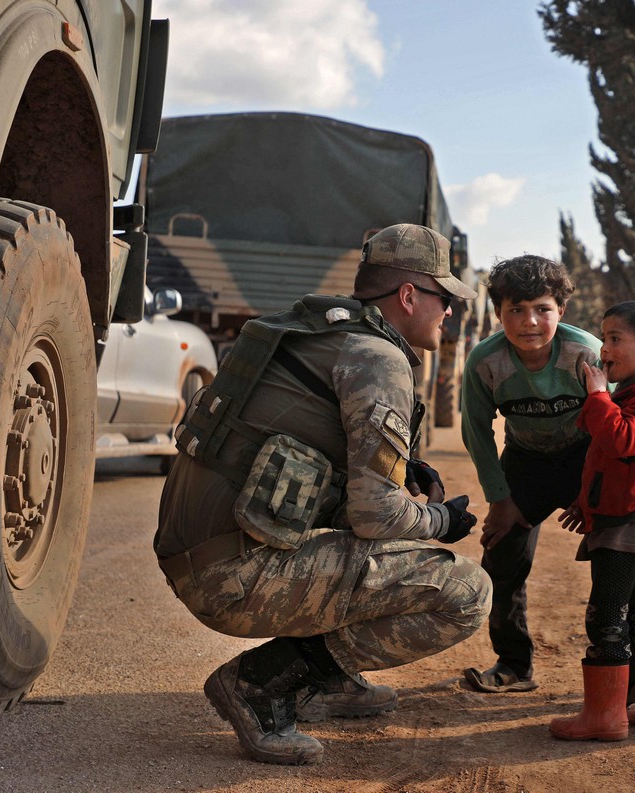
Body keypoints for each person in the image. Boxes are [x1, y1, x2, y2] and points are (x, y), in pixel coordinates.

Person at [154, 223, 492, 765]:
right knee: (464, 591)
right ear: (409, 296)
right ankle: (260, 685)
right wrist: (438, 520)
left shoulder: (321, 332)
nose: (450, 309)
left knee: (390, 552)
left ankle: (328, 683)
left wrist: (401, 472)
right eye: (444, 296)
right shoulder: (378, 358)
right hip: (229, 577)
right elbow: (377, 513)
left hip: (200, 553)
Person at [459, 255, 608, 695]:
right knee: (502, 557)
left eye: (542, 309)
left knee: (617, 555)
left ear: (561, 311)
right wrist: (501, 500)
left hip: (587, 457)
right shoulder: (485, 362)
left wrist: (592, 492)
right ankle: (513, 663)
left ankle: (621, 666)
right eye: (515, 311)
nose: (529, 322)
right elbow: (476, 433)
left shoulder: (586, 353)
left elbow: (613, 428)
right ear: (498, 313)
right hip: (526, 461)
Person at [550, 301, 635, 741]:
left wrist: (597, 396)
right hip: (622, 524)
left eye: (614, 339)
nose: (603, 348)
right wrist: (583, 503)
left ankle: (606, 716)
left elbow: (624, 441)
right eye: (602, 337)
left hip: (627, 529)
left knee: (607, 617)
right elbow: (607, 463)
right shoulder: (629, 397)